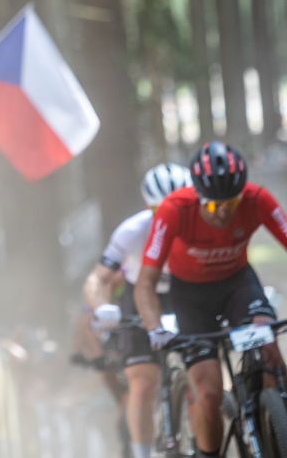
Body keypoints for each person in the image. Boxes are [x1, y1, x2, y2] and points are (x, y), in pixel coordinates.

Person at [136, 141, 287, 458]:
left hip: (238, 285)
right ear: (198, 196)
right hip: (191, 298)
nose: (224, 214)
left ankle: (276, 421)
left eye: (231, 204)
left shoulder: (257, 200)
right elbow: (145, 283)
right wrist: (155, 329)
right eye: (215, 207)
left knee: (269, 347)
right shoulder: (174, 210)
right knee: (208, 392)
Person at [84, 163, 192, 458]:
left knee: (204, 372)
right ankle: (142, 453)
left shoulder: (200, 223)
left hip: (185, 291)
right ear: (149, 206)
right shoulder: (132, 231)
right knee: (142, 383)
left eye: (179, 208)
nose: (170, 217)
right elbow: (98, 278)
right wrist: (102, 306)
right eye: (161, 210)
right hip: (139, 295)